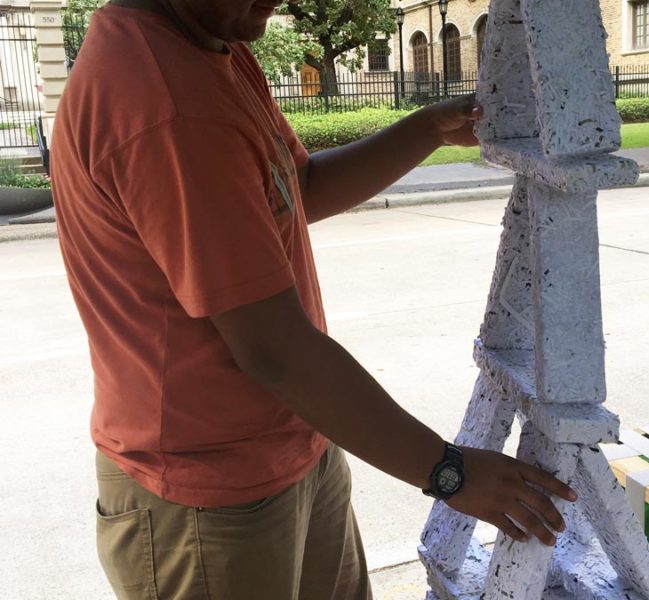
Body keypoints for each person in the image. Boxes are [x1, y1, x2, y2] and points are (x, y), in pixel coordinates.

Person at [51, 0, 577, 598]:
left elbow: (296, 190)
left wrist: (427, 130)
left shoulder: (212, 46)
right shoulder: (166, 102)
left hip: (294, 444)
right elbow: (275, 350)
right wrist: (449, 472)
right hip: (206, 494)